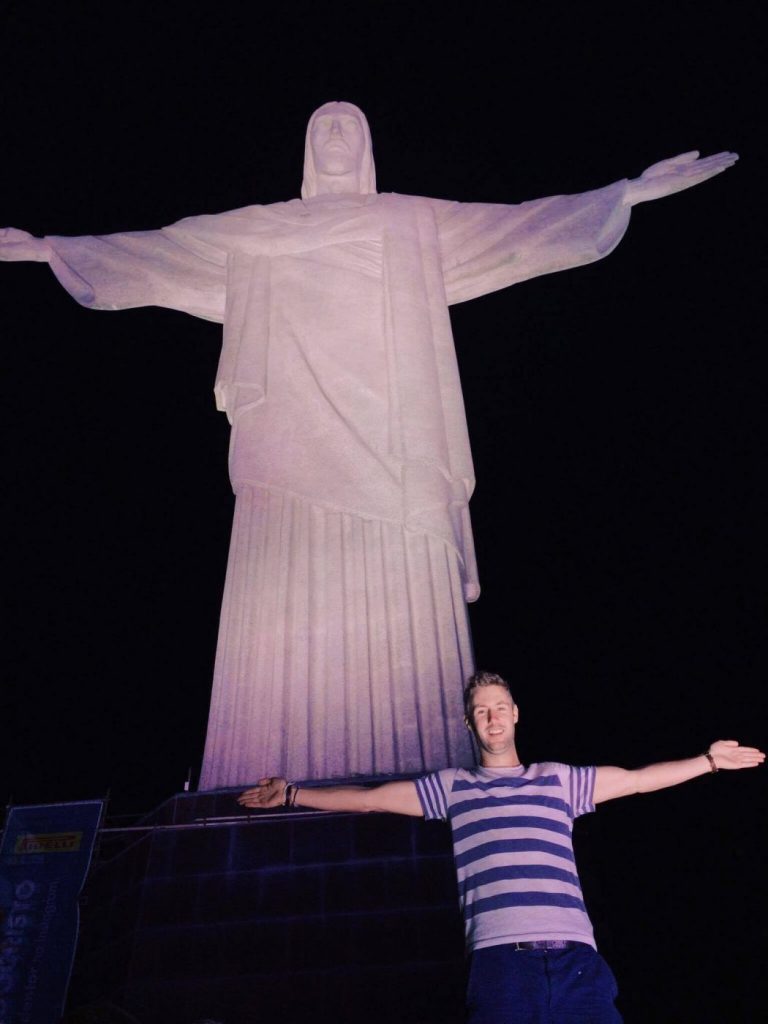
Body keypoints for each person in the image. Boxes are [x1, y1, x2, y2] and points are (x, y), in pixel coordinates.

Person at [0, 103, 738, 790]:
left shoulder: (410, 220)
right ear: (304, 151)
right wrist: (48, 250)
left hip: (398, 441)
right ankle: (256, 770)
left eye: (349, 125)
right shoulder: (255, 230)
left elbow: (523, 229)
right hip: (289, 441)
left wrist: (629, 193)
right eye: (322, 124)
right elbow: (155, 253)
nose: (335, 135)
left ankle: (419, 772)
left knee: (406, 590)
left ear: (370, 150)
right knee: (280, 595)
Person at [238, 669, 764, 1023]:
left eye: (500, 707)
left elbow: (637, 780)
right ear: (471, 723)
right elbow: (370, 800)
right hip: (500, 964)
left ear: (516, 714)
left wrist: (708, 761)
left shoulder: (557, 780)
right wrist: (291, 793)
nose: (492, 718)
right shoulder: (453, 788)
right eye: (481, 711)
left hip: (577, 958)